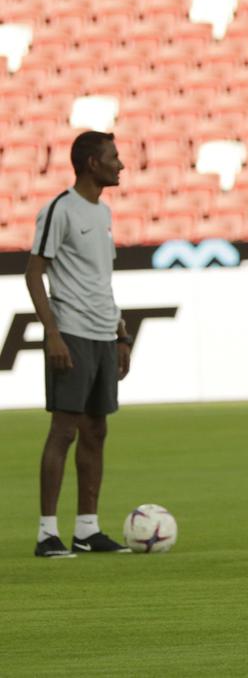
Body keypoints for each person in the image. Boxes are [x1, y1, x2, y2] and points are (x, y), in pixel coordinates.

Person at [26, 131, 132, 558]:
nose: (121, 164)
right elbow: (34, 272)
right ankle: (46, 533)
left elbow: (101, 281)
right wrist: (52, 333)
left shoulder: (104, 212)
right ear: (92, 163)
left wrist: (120, 332)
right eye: (114, 157)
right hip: (70, 331)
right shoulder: (59, 210)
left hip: (104, 333)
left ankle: (86, 530)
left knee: (97, 430)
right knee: (64, 430)